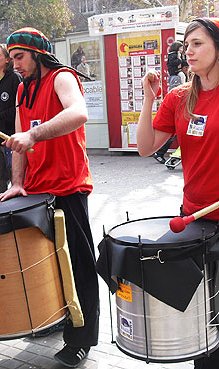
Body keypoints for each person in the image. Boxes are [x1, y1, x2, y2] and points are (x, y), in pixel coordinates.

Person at [0, 27, 99, 368]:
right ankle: (56, 318)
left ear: (37, 54)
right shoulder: (24, 89)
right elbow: (19, 139)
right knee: (49, 265)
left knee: (78, 267)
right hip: (38, 192)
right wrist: (17, 182)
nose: (15, 65)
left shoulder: (62, 78)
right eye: (11, 59)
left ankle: (82, 338)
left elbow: (79, 113)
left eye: (19, 57)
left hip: (68, 187)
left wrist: (34, 134)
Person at [137, 17, 219, 369]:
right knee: (204, 317)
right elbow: (144, 147)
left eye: (198, 43)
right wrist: (148, 99)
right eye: (187, 45)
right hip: (193, 219)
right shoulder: (179, 97)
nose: (189, 51)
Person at [0, 44, 22, 196]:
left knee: (18, 183)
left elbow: (19, 108)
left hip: (12, 141)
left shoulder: (15, 78)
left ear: (7, 60)